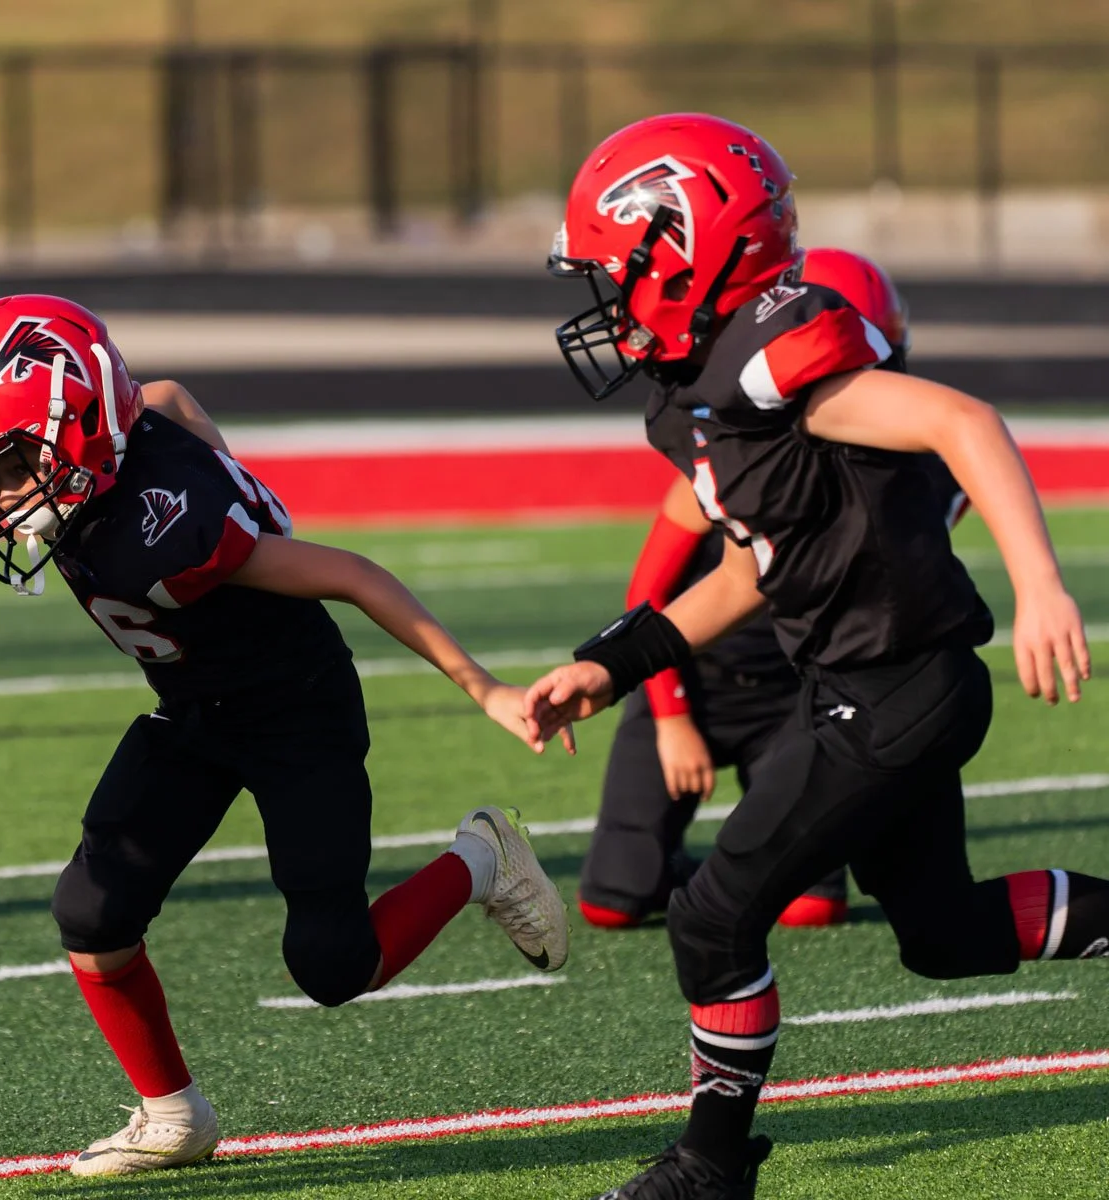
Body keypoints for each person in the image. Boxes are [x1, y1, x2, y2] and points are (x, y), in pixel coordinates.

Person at [525, 113, 1099, 1199]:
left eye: (615, 272)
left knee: (710, 914)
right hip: (861, 686)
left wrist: (1040, 586)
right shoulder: (698, 390)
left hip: (898, 693)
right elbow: (751, 570)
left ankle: (711, 1165)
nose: (601, 300)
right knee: (942, 933)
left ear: (687, 260)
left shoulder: (781, 354)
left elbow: (966, 422)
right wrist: (615, 663)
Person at [0, 294, 571, 1178]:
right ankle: (173, 1114)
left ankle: (482, 858)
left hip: (298, 709)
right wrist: (231, 474)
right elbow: (171, 397)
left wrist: (482, 686)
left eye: (2, 469)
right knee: (92, 908)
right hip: (193, 710)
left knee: (332, 964)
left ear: (76, 433)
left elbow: (352, 573)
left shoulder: (164, 533)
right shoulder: (113, 442)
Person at [578, 248, 961, 932]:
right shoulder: (733, 439)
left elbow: (963, 431)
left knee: (827, 908)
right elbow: (684, 582)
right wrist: (666, 715)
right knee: (615, 899)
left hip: (801, 691)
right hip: (700, 681)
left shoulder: (912, 468)